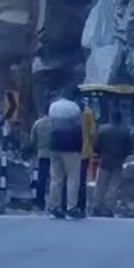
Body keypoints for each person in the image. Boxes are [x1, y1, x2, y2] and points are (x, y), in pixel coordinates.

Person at [47, 88, 83, 219]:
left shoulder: (53, 106)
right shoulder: (75, 108)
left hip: (54, 144)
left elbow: (51, 124)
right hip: (70, 146)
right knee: (73, 178)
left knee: (55, 178)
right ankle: (71, 208)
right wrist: (79, 146)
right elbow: (78, 128)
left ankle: (54, 207)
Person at [92, 113, 134, 217]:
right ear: (121, 119)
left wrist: (100, 153)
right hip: (118, 162)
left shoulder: (102, 130)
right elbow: (130, 149)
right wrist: (123, 156)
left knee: (100, 184)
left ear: (111, 118)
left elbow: (96, 145)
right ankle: (108, 207)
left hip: (104, 160)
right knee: (113, 185)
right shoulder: (125, 132)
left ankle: (96, 206)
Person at [77, 100, 97, 215]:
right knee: (82, 179)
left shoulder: (68, 112)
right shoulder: (88, 112)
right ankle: (81, 206)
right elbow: (92, 133)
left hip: (69, 150)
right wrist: (91, 147)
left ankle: (67, 204)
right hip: (84, 151)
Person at [30, 112, 52, 211]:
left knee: (41, 178)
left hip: (42, 153)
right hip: (54, 154)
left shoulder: (37, 123)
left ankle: (40, 201)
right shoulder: (54, 123)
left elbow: (33, 140)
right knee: (55, 180)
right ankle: (54, 202)